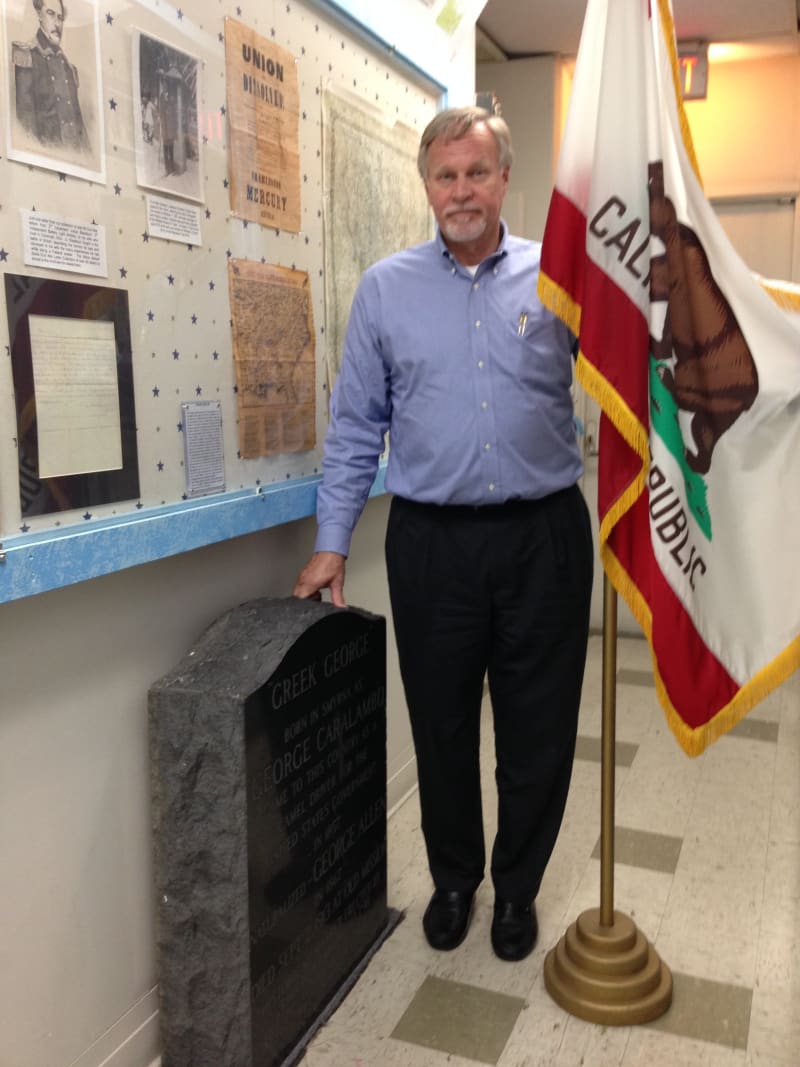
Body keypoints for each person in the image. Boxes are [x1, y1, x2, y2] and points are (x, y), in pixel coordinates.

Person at [293, 106, 593, 962]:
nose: (461, 190)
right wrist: (332, 540)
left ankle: (518, 890)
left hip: (544, 538)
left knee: (538, 727)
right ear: (427, 186)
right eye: (445, 175)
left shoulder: (558, 278)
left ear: (506, 179)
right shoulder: (385, 290)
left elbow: (622, 380)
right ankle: (457, 878)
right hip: (432, 545)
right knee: (442, 724)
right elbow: (355, 427)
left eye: (477, 172)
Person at [12, 0, 89, 151]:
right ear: (39, 14)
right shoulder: (27, 57)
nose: (57, 23)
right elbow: (26, 128)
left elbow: (81, 131)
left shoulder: (69, 68)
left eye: (60, 18)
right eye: (51, 14)